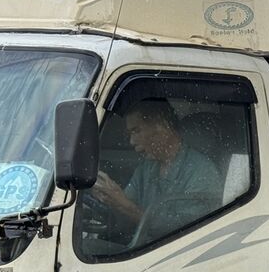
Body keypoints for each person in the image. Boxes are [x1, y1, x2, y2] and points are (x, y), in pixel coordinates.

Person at [90, 99, 222, 246]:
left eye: (136, 131)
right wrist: (109, 199)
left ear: (162, 126)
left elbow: (184, 233)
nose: (132, 141)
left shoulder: (201, 171)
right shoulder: (147, 168)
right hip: (141, 248)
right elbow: (126, 212)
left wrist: (124, 204)